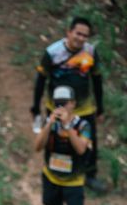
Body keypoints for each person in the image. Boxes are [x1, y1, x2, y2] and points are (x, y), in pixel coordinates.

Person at [31, 16, 106, 193]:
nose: (81, 38)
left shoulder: (90, 52)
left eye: (85, 36)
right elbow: (41, 80)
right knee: (56, 139)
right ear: (69, 32)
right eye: (78, 33)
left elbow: (97, 80)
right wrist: (35, 107)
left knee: (89, 141)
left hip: (84, 107)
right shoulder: (52, 52)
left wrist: (100, 108)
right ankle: (54, 172)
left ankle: (90, 175)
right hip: (57, 108)